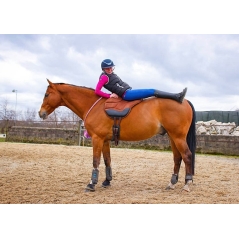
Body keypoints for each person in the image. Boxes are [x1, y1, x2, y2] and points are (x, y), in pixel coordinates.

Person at [95, 59, 187, 102]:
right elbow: (97, 91)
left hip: (128, 91)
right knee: (152, 91)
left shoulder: (110, 74)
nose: (110, 70)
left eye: (111, 68)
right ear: (103, 69)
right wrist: (109, 95)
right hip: (126, 94)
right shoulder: (104, 77)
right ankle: (176, 96)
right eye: (107, 69)